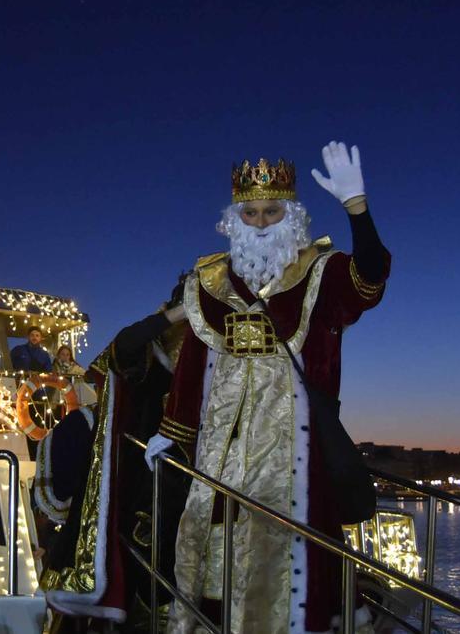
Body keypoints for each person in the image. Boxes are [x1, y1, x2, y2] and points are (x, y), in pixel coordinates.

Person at [148, 142, 390, 634]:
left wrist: (356, 209)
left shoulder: (320, 274)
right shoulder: (208, 281)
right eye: (251, 212)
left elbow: (371, 277)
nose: (260, 222)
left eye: (271, 211)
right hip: (222, 450)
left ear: (291, 214)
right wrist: (172, 431)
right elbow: (194, 363)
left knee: (290, 544)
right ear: (235, 217)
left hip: (293, 450)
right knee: (212, 538)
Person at [35, 279, 190, 630]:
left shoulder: (214, 354)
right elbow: (123, 347)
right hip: (139, 480)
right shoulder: (150, 350)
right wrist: (175, 315)